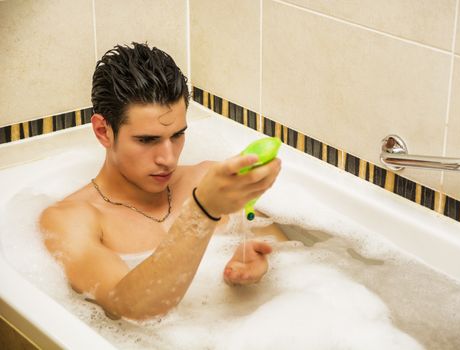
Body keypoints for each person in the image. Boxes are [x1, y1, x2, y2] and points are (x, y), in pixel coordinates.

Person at [39, 42, 285, 321]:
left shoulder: (208, 178)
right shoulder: (71, 219)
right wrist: (202, 210)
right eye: (147, 140)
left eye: (177, 135)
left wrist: (258, 268)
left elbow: (290, 256)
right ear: (102, 131)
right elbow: (130, 306)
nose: (168, 158)